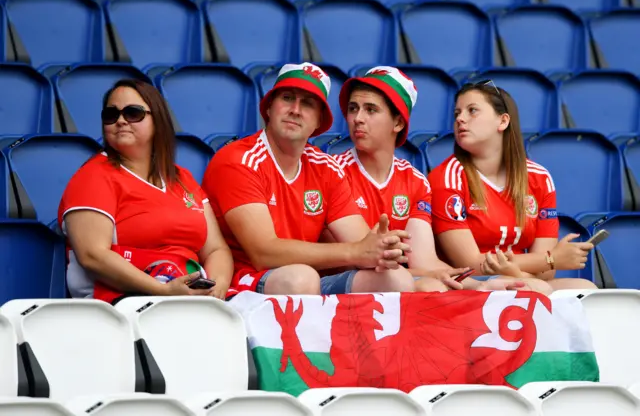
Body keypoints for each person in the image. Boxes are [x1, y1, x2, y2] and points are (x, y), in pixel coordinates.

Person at [202, 62, 415, 299]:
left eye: (307, 103)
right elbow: (263, 253)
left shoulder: (325, 168)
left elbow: (361, 245)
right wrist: (356, 251)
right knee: (301, 279)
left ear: (319, 121)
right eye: (287, 97)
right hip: (243, 279)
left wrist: (380, 250)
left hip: (307, 281)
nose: (295, 109)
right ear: (269, 108)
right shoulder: (238, 159)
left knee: (397, 279)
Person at [331, 66, 526, 293]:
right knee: (424, 286)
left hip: (394, 280)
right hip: (337, 286)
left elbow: (425, 262)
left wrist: (480, 285)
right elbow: (368, 260)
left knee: (436, 287)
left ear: (398, 123)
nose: (357, 119)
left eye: (371, 110)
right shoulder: (334, 170)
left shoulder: (415, 180)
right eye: (353, 109)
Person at [58, 79, 234, 304]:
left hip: (188, 296)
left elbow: (216, 249)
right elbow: (93, 255)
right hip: (122, 302)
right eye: (111, 115)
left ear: (158, 120)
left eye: (133, 113)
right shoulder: (92, 176)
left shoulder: (182, 178)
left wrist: (216, 290)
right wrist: (163, 290)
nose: (121, 120)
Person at [428, 80, 597, 292]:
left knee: (585, 288)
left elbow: (546, 272)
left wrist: (533, 266)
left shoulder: (539, 177)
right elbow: (471, 265)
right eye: (457, 113)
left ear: (503, 121)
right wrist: (549, 259)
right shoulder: (447, 177)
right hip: (470, 286)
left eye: (472, 111)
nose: (460, 119)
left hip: (523, 279)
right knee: (536, 287)